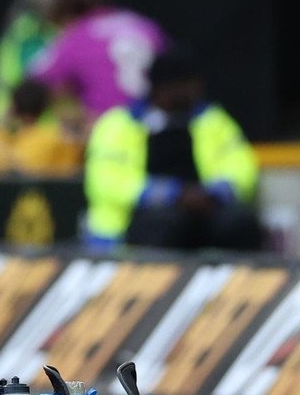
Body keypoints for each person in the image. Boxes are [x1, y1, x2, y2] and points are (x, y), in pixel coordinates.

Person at [84, 50, 262, 251]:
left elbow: (241, 166)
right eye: (185, 86)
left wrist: (213, 193)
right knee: (166, 223)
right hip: (135, 220)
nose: (194, 91)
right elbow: (106, 181)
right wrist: (171, 194)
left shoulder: (212, 120)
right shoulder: (119, 124)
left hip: (203, 208)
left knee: (239, 223)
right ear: (160, 88)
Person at [29, 0, 168, 133]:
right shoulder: (144, 25)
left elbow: (33, 85)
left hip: (109, 130)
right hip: (158, 124)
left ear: (67, 17)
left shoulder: (77, 35)